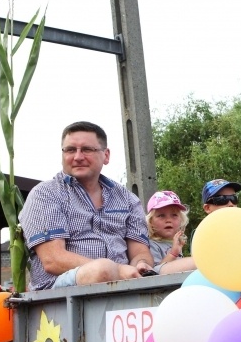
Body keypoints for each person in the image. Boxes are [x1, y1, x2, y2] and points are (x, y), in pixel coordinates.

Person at [20, 121, 154, 290]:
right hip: (58, 290)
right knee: (103, 269)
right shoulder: (46, 194)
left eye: (87, 149)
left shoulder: (127, 199)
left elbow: (140, 251)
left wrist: (141, 264)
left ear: (106, 155)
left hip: (124, 284)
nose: (77, 157)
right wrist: (117, 270)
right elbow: (53, 260)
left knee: (188, 265)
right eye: (70, 150)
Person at [145, 190, 197, 274]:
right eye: (161, 215)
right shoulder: (151, 245)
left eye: (174, 215)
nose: (168, 220)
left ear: (181, 220)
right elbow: (154, 273)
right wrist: (173, 254)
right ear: (150, 222)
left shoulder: (174, 242)